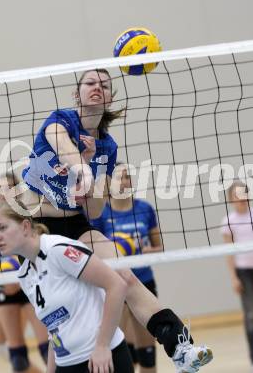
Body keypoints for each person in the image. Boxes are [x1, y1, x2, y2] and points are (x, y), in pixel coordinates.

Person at [19, 68, 213, 372]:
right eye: (91, 83)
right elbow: (64, 147)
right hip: (38, 229)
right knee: (61, 312)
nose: (98, 88)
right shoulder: (60, 120)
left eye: (105, 85)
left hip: (76, 225)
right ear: (77, 93)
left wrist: (92, 183)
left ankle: (179, 346)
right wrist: (81, 166)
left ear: (109, 97)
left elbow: (95, 212)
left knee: (124, 276)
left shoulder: (107, 147)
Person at [0, 200, 133, 373]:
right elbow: (54, 329)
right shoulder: (25, 275)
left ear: (26, 226)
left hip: (100, 360)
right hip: (66, 364)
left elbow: (117, 285)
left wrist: (102, 346)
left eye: (2, 228)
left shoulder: (58, 249)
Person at [91, 162, 163, 373]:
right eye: (118, 177)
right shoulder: (101, 214)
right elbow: (93, 251)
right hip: (115, 285)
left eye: (127, 177)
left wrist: (147, 251)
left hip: (143, 282)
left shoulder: (144, 209)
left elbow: (159, 246)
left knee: (148, 355)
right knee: (118, 352)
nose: (123, 182)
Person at [0, 173, 48, 373]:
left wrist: (20, 275)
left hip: (31, 282)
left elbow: (38, 252)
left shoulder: (30, 217)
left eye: (8, 188)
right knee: (18, 359)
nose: (2, 193)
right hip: (6, 286)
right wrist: (4, 279)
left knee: (48, 350)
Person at [221, 181, 253, 370]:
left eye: (244, 194)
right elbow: (229, 252)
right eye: (237, 195)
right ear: (231, 199)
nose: (241, 198)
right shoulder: (229, 221)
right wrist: (233, 277)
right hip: (244, 273)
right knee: (251, 316)